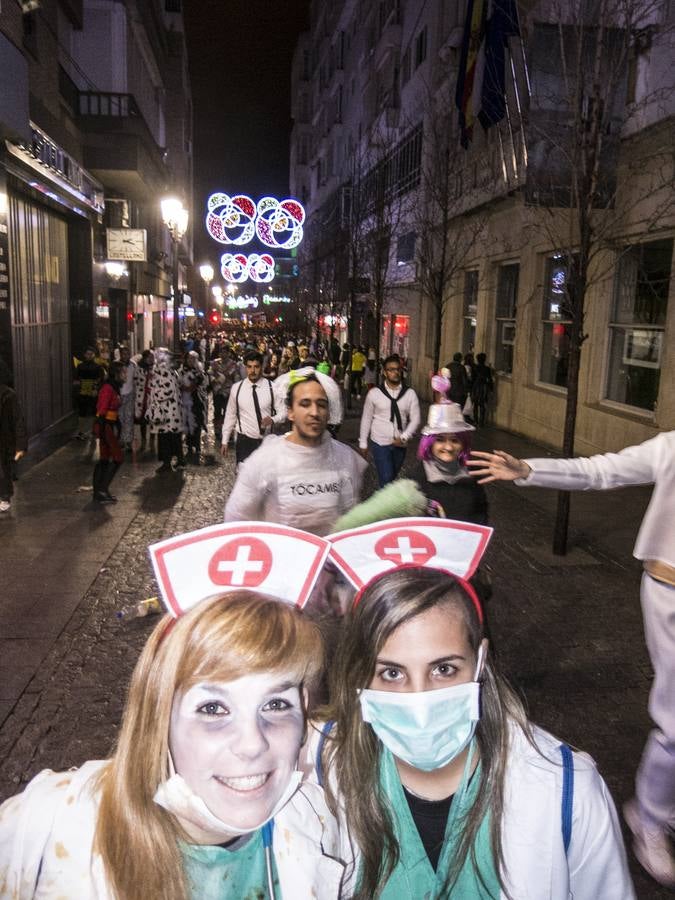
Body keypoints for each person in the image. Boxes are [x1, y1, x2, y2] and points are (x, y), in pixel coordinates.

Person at [0, 521, 347, 899]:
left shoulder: (322, 826)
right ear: (158, 715)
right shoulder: (47, 829)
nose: (251, 744)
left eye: (276, 704)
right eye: (213, 708)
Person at [314, 521, 635, 899]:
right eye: (391, 672)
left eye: (444, 669)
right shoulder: (318, 778)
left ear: (480, 661)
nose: (420, 700)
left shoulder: (567, 789)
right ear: (360, 675)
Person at [468, 436, 675, 887]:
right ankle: (650, 815)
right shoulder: (673, 447)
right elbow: (601, 470)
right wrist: (528, 471)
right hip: (669, 596)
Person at [225, 374, 366, 536]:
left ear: (328, 413)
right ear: (290, 412)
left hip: (328, 558)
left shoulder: (344, 457)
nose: (314, 412)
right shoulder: (264, 460)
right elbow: (235, 520)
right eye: (305, 404)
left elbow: (351, 516)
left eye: (321, 405)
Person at [413, 392, 487, 526]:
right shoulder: (415, 478)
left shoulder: (474, 474)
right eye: (440, 440)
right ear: (429, 443)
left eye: (455, 440)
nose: (448, 447)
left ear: (463, 443)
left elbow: (481, 512)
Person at [358, 354, 421, 488]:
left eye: (397, 369)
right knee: (386, 478)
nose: (395, 372)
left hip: (400, 444)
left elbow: (416, 419)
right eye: (391, 369)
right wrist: (363, 442)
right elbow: (366, 418)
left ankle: (385, 501)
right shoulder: (374, 393)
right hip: (380, 442)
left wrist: (404, 437)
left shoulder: (410, 394)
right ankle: (384, 507)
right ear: (385, 372)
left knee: (391, 479)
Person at [221, 350, 277, 466]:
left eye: (256, 367)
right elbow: (230, 415)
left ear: (261, 367)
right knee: (245, 479)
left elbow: (284, 411)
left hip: (267, 441)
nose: (253, 371)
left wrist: (273, 419)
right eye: (249, 367)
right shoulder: (237, 388)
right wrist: (225, 440)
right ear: (245, 367)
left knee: (265, 480)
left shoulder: (273, 388)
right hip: (244, 442)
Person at [147, 349, 186, 474]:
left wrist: (154, 398)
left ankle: (166, 463)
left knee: (165, 438)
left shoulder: (162, 370)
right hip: (171, 411)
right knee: (174, 436)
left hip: (165, 411)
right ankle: (179, 459)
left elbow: (167, 390)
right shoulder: (170, 370)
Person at [92, 361, 125, 504]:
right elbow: (102, 410)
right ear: (116, 373)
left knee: (105, 459)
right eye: (123, 372)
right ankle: (101, 489)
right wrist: (104, 429)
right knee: (117, 458)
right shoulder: (108, 388)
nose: (126, 375)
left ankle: (100, 491)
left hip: (109, 425)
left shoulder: (114, 387)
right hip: (106, 425)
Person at [0, 360, 27, 513]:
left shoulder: (7, 394)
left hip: (4, 438)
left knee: (3, 468)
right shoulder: (8, 394)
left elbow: (17, 420)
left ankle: (4, 497)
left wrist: (20, 444)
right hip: (4, 437)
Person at [179, 350, 208, 464]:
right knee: (187, 422)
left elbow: (204, 384)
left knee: (198, 421)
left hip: (198, 400)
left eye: (193, 359)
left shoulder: (200, 372)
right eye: (189, 358)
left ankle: (197, 444)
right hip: (186, 401)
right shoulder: (181, 371)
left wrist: (197, 384)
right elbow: (179, 384)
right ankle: (189, 444)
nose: (191, 361)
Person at [470, 353, 494, 428]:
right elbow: (490, 379)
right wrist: (491, 389)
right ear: (484, 359)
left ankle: (475, 421)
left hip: (476, 387)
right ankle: (481, 422)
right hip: (483, 387)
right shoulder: (487, 369)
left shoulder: (475, 367)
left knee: (475, 404)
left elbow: (472, 378)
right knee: (482, 404)